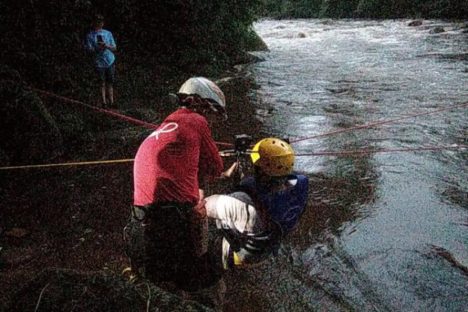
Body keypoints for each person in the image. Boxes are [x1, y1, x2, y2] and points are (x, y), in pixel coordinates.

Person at [126, 77, 229, 295]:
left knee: (159, 281)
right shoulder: (196, 121)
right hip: (172, 220)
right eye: (212, 113)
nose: (211, 121)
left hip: (140, 217)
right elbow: (216, 167)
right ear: (201, 104)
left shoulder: (166, 125)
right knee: (211, 283)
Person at [205, 138, 309, 270]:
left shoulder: (241, 199)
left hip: (247, 256)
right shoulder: (302, 183)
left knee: (213, 223)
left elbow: (204, 207)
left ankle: (225, 266)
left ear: (261, 172)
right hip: (271, 246)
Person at [85, 14, 117, 107]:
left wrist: (106, 45)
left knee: (110, 82)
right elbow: (89, 50)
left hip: (109, 60)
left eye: (101, 21)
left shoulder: (108, 33)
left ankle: (112, 102)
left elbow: (114, 47)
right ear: (94, 23)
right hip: (98, 62)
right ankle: (104, 102)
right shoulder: (90, 35)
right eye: (97, 21)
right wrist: (97, 48)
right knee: (101, 82)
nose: (99, 23)